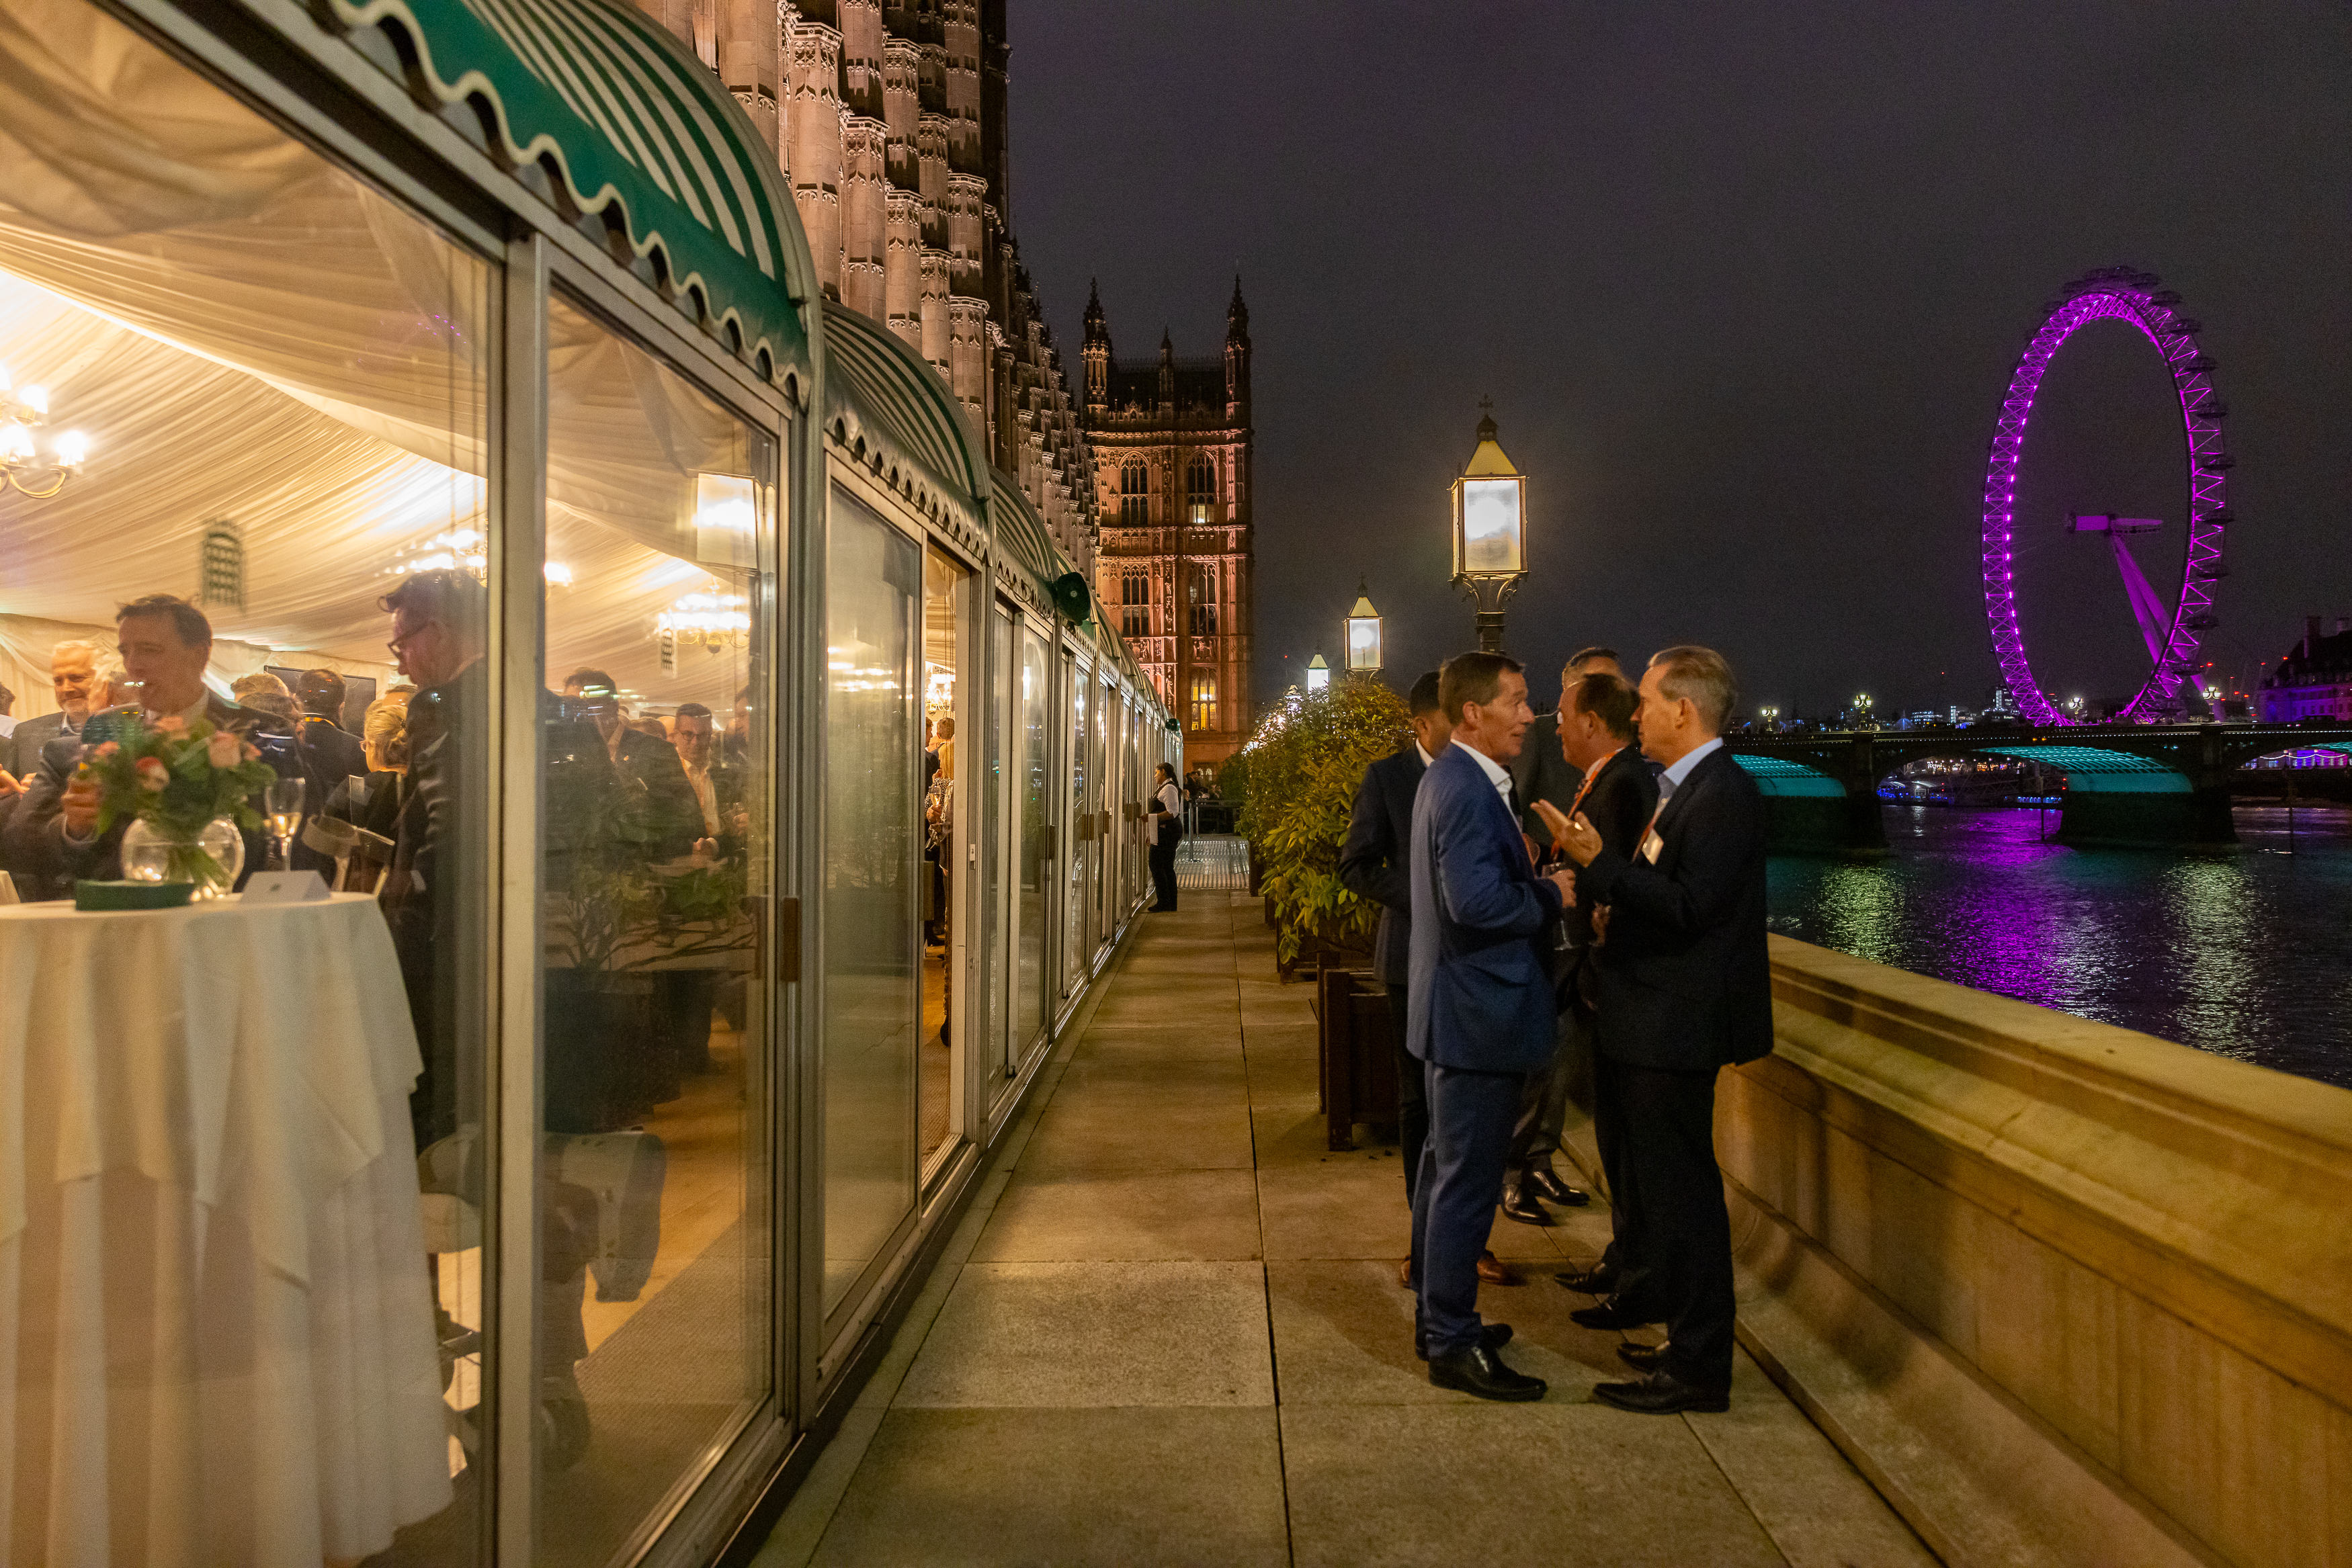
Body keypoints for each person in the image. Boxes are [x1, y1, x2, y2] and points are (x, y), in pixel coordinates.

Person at [1552, 645, 1772, 1415]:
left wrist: (1597, 867)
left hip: (1675, 1028)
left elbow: (1689, 907)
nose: (1634, 713)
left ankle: (1698, 1367)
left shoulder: (1722, 795)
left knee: (1683, 1203)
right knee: (1666, 1194)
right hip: (1649, 1019)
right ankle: (1685, 1341)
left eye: (1644, 700)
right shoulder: (1684, 791)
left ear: (1684, 708)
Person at [1404, 650, 1574, 1401]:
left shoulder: (1446, 777)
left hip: (1455, 1011)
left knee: (1444, 1170)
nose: (1529, 714)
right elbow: (1474, 904)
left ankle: (1440, 1322)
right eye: (1517, 699)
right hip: (1477, 1015)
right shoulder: (1470, 791)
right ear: (1472, 712)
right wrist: (1549, 895)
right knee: (1466, 1184)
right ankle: (1450, 1339)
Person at [1339, 670, 1521, 1291]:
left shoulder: (1488, 777)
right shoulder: (1386, 777)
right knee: (1419, 1102)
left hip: (1469, 966)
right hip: (1409, 960)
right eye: (1452, 718)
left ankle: (1465, 1242)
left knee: (1465, 1115)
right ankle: (1427, 1243)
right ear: (1425, 723)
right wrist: (1423, 893)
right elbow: (1355, 865)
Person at [3, 596, 296, 899]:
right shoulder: (106, 727)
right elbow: (24, 843)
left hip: (232, 914)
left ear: (199, 655)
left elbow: (288, 840)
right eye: (126, 652)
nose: (133, 666)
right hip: (133, 914)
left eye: (149, 650)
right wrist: (77, 829)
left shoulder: (263, 729)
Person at [1523, 672, 1658, 1274]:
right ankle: (1623, 1261)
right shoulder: (1608, 779)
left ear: (1590, 724)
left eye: (1562, 715)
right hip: (1585, 970)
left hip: (1601, 975)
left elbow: (1627, 881)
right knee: (1614, 1136)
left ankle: (1632, 1266)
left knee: (1629, 1143)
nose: (1552, 723)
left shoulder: (1624, 783)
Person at [1510, 646, 1621, 842]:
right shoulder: (1538, 733)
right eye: (1601, 682)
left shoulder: (1618, 738)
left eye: (1615, 682)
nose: (1612, 690)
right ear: (1570, 685)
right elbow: (1515, 805)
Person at [6, 640, 102, 779]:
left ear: (102, 680)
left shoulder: (129, 732)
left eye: (76, 678)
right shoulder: (25, 735)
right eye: (58, 681)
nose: (66, 689)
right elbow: (8, 793)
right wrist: (20, 791)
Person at [1147, 761, 1182, 912]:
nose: (1155, 776)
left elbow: (1172, 812)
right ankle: (1168, 903)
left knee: (1158, 865)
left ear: (1162, 772)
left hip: (1167, 833)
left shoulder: (1168, 789)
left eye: (1156, 773)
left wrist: (1149, 818)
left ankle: (1165, 902)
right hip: (1162, 832)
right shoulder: (1164, 788)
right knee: (1165, 866)